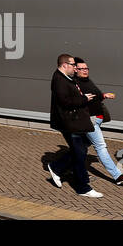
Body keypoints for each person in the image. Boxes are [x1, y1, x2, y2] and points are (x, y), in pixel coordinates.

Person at [45, 52, 102, 198]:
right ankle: (83, 187)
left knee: (81, 149)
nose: (75, 68)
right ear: (65, 65)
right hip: (69, 122)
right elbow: (65, 102)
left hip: (75, 121)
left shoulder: (67, 78)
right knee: (80, 153)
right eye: (72, 65)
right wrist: (84, 99)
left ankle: (56, 167)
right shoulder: (59, 80)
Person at [73, 58, 123, 186]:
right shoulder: (76, 83)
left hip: (97, 119)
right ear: (75, 69)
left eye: (86, 68)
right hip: (90, 120)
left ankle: (58, 167)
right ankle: (117, 176)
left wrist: (103, 95)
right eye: (82, 69)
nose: (85, 71)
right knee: (101, 146)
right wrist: (101, 96)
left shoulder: (86, 80)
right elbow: (84, 99)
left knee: (81, 148)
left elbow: (95, 94)